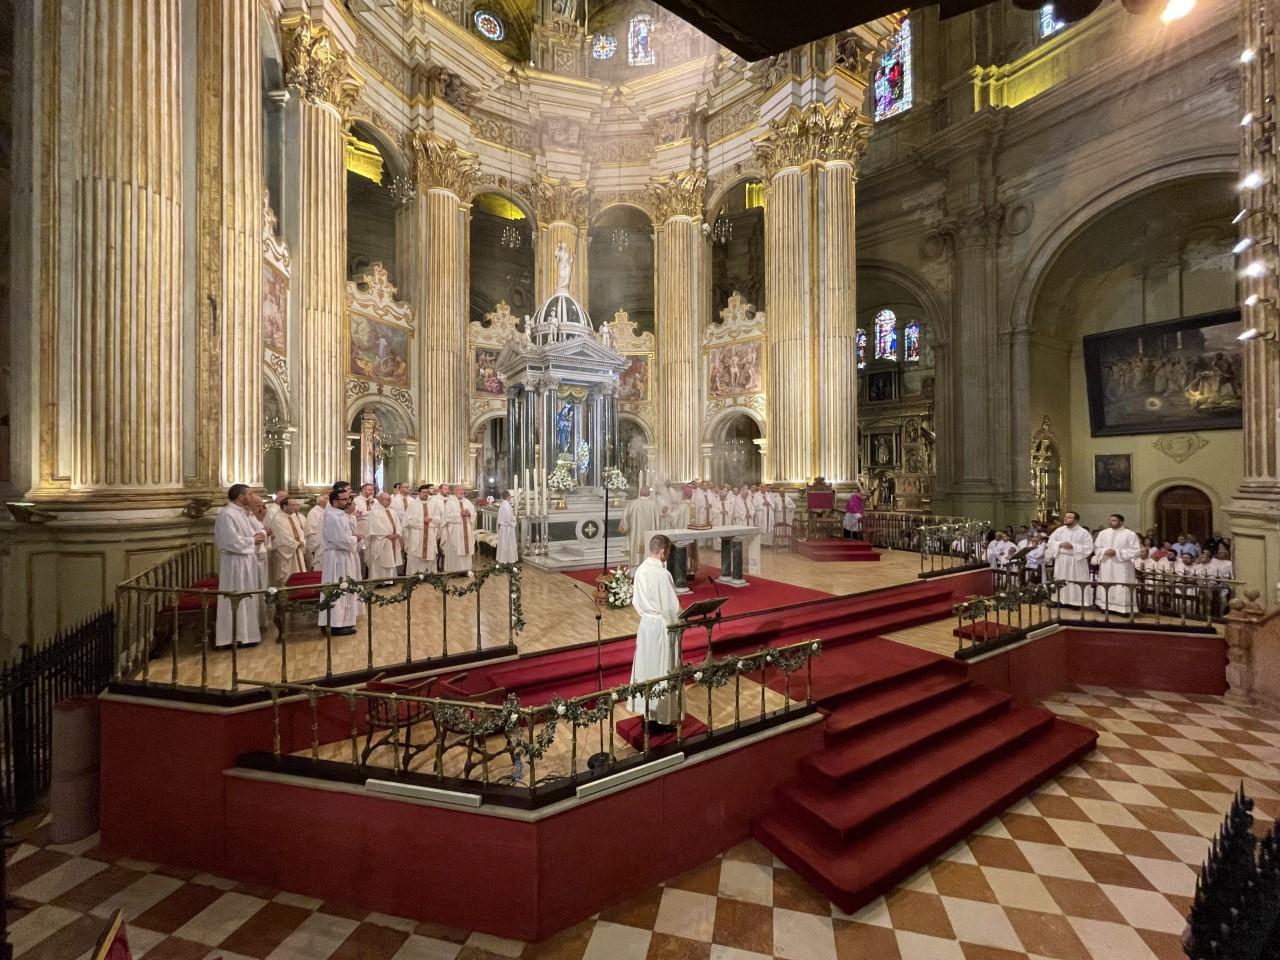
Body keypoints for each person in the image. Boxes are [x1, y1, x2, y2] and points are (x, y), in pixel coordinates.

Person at [628, 534, 683, 731]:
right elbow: (670, 607)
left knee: (646, 668)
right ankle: (662, 717)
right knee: (662, 669)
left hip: (645, 625)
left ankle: (647, 714)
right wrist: (678, 620)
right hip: (661, 626)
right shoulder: (662, 574)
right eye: (667, 551)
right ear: (662, 551)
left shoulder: (641, 570)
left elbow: (636, 601)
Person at [213, 484, 263, 649]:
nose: (253, 496)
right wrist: (253, 540)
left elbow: (254, 532)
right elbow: (230, 541)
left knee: (247, 597)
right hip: (235, 563)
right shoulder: (227, 514)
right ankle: (233, 636)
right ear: (241, 497)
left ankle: (247, 634)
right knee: (236, 598)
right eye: (250, 493)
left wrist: (258, 536)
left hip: (246, 560)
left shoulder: (243, 513)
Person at [320, 483, 362, 636]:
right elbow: (341, 540)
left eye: (348, 499)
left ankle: (344, 621)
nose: (348, 502)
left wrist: (353, 538)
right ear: (335, 502)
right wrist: (355, 538)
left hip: (344, 556)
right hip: (336, 557)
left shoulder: (341, 515)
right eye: (344, 500)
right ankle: (335, 624)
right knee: (338, 589)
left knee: (345, 589)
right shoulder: (332, 517)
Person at [1092, 513, 1141, 614]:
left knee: (1121, 585)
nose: (1110, 522)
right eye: (1110, 520)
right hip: (1107, 564)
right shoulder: (1103, 533)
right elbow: (1097, 547)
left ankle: (1123, 609)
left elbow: (1136, 550)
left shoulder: (1129, 534)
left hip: (1122, 565)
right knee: (1106, 583)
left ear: (1121, 522)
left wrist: (1117, 552)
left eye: (1114, 520)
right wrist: (1104, 551)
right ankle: (1105, 606)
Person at [1045, 512, 1094, 608]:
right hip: (1062, 560)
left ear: (1076, 520)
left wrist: (1073, 546)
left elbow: (1089, 548)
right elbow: (1050, 542)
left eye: (1069, 517)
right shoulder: (1059, 530)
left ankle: (1075, 602)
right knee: (1060, 579)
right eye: (1065, 517)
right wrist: (1059, 544)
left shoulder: (1083, 533)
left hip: (1076, 561)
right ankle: (1058, 600)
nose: (1065, 519)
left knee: (1074, 580)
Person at [269, 495, 307, 586]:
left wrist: (302, 541)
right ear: (285, 506)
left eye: (296, 505)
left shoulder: (294, 516)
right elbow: (282, 536)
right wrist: (296, 544)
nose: (295, 507)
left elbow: (300, 531)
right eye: (292, 505)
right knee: (287, 576)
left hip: (297, 550)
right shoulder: (277, 518)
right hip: (286, 552)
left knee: (300, 574)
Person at [620, 486, 661, 566]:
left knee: (636, 550)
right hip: (650, 535)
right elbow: (658, 520)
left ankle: (635, 569)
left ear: (640, 493)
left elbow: (625, 516)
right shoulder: (653, 504)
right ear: (649, 494)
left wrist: (624, 527)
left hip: (636, 535)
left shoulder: (632, 503)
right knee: (649, 549)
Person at [365, 492, 403, 581]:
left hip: (392, 541)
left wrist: (398, 533)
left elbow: (398, 524)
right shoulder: (374, 512)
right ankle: (378, 581)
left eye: (390, 499)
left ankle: (390, 581)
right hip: (381, 541)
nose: (390, 501)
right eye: (387, 500)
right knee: (381, 562)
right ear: (381, 500)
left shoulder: (393, 511)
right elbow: (374, 526)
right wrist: (387, 534)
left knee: (391, 561)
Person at [442, 485, 475, 575]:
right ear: (455, 491)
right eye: (460, 490)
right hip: (455, 531)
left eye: (463, 490)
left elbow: (473, 514)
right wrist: (460, 514)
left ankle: (466, 569)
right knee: (456, 550)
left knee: (466, 551)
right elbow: (447, 517)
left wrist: (469, 514)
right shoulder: (450, 502)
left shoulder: (467, 502)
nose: (462, 491)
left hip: (466, 530)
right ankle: (454, 571)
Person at [402, 485, 427, 576]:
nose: (426, 494)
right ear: (419, 493)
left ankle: (429, 575)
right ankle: (414, 575)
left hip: (429, 534)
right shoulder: (413, 504)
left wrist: (430, 523)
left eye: (427, 492)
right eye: (423, 492)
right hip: (416, 534)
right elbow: (408, 521)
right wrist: (423, 521)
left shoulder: (432, 504)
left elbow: (438, 519)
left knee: (428, 555)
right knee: (415, 554)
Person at [304, 492, 329, 570]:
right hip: (319, 545)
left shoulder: (326, 511)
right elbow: (311, 532)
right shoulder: (314, 512)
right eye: (326, 498)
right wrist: (317, 546)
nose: (329, 500)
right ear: (320, 501)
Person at [496, 490, 519, 564]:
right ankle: (508, 559)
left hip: (504, 528)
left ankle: (503, 559)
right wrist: (515, 519)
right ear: (508, 496)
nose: (511, 497)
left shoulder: (503, 504)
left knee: (504, 544)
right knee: (508, 544)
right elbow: (508, 518)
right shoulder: (506, 505)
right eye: (510, 495)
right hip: (507, 528)